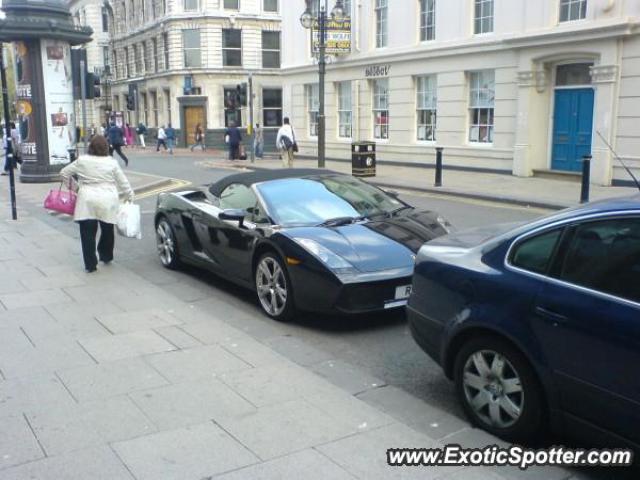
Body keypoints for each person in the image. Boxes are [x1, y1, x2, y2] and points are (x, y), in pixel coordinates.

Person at [60, 135, 134, 273]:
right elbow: (123, 182)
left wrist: (75, 188)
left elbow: (64, 173)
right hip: (108, 199)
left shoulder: (82, 161)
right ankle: (106, 256)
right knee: (107, 229)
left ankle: (90, 264)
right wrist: (130, 196)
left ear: (91, 147)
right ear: (106, 147)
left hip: (87, 199)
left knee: (87, 233)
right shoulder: (112, 162)